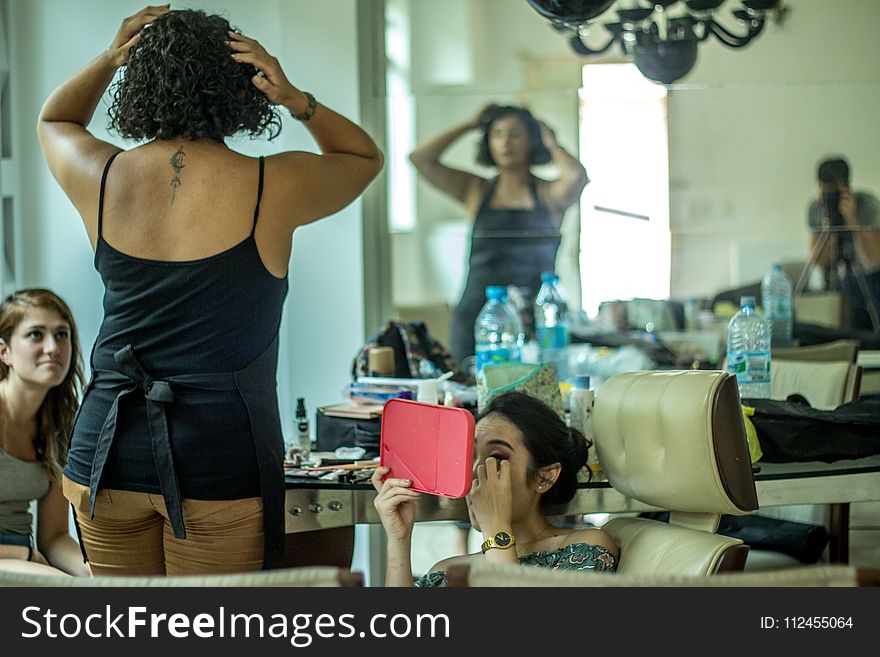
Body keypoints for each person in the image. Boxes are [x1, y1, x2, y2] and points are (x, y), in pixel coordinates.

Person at [37, 6, 383, 575]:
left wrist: (108, 58)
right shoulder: (273, 183)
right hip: (220, 459)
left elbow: (55, 121)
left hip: (104, 454)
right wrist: (295, 97)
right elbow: (361, 157)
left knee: (129, 633)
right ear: (242, 85)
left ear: (138, 82)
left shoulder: (100, 175)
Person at [371, 391, 618, 587]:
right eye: (470, 456)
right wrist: (399, 540)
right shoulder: (445, 573)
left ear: (545, 477)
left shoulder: (586, 548)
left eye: (497, 458)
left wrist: (496, 531)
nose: (474, 473)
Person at [409, 104, 588, 363]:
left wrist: (551, 142)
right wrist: (469, 124)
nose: (505, 142)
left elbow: (576, 176)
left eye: (515, 134)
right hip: (477, 319)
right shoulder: (476, 190)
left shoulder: (548, 195)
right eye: (496, 133)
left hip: (534, 322)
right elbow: (420, 159)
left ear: (532, 140)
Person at [0, 289, 90, 577]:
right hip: (18, 557)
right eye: (36, 335)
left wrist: (94, 574)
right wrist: (23, 555)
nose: (53, 348)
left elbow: (54, 538)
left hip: (26, 560)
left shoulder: (61, 425)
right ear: (5, 352)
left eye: (61, 335)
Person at [807, 156, 880, 331]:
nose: (832, 197)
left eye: (836, 191)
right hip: (832, 283)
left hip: (869, 282)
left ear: (848, 188)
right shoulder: (816, 208)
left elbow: (874, 261)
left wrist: (853, 222)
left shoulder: (867, 204)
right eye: (826, 192)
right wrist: (829, 227)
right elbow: (820, 262)